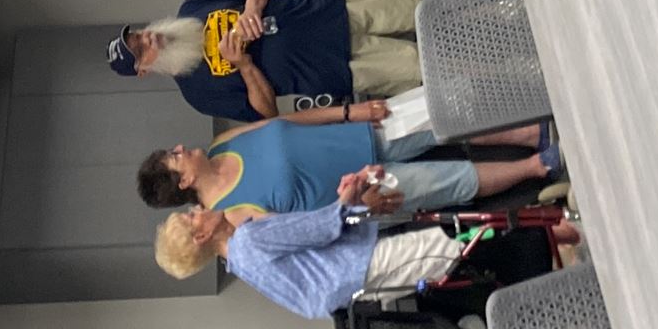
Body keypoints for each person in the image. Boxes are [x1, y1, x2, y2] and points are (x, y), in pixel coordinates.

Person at [155, 168, 581, 315]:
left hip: (360, 284)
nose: (198, 209)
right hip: (366, 263)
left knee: (459, 254)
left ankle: (552, 230)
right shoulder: (247, 241)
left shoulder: (242, 265)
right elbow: (318, 228)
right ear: (201, 234)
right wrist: (351, 195)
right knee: (456, 241)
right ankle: (559, 229)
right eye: (192, 216)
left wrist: (350, 205)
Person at [134, 101, 559, 219]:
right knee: (451, 180)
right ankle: (538, 166)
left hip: (357, 134)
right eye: (175, 158)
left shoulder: (222, 143)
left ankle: (528, 132)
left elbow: (286, 120)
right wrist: (356, 208)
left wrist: (349, 111)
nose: (180, 148)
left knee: (440, 120)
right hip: (363, 191)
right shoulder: (232, 214)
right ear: (184, 182)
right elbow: (305, 230)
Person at [107, 0, 424, 122]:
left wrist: (251, 10)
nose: (147, 38)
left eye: (139, 34)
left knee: (421, 4)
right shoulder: (198, 95)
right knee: (424, 67)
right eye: (140, 49)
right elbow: (268, 116)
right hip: (340, 66)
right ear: (143, 70)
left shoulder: (192, 6)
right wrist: (244, 65)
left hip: (332, 8)